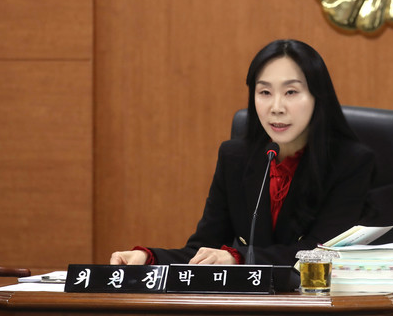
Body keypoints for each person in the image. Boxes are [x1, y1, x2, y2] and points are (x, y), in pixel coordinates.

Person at [109, 39, 375, 267]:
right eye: (265, 92)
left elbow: (320, 253)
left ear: (318, 96)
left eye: (291, 92)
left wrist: (238, 258)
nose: (276, 107)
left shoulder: (350, 162)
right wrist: (149, 258)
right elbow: (204, 249)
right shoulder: (235, 158)